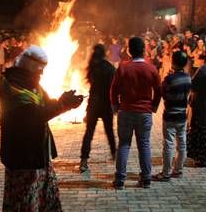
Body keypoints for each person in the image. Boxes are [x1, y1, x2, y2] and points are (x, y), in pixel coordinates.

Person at [0, 46, 83, 212]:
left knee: (46, 188)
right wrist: (62, 105)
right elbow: (35, 115)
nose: (42, 73)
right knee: (24, 194)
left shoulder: (32, 83)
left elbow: (46, 105)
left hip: (39, 148)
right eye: (39, 68)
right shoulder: (12, 86)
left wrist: (64, 101)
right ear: (29, 65)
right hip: (22, 149)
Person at [110, 37, 161, 189]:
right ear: (144, 50)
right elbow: (159, 90)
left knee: (124, 144)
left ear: (129, 51)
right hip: (144, 112)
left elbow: (113, 89)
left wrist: (115, 106)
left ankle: (120, 180)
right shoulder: (151, 68)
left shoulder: (123, 68)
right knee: (144, 144)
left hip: (126, 111)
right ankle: (146, 178)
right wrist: (154, 106)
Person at [79, 44, 116, 175]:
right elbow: (114, 87)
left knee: (89, 133)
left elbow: (91, 84)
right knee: (109, 131)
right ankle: (115, 155)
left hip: (94, 104)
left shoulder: (92, 67)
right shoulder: (110, 68)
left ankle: (83, 161)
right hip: (106, 104)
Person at [158, 50, 191, 181]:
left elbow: (163, 93)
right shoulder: (188, 77)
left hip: (170, 114)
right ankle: (178, 170)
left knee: (169, 144)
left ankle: (166, 173)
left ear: (173, 62)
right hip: (182, 114)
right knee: (182, 143)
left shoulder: (169, 79)